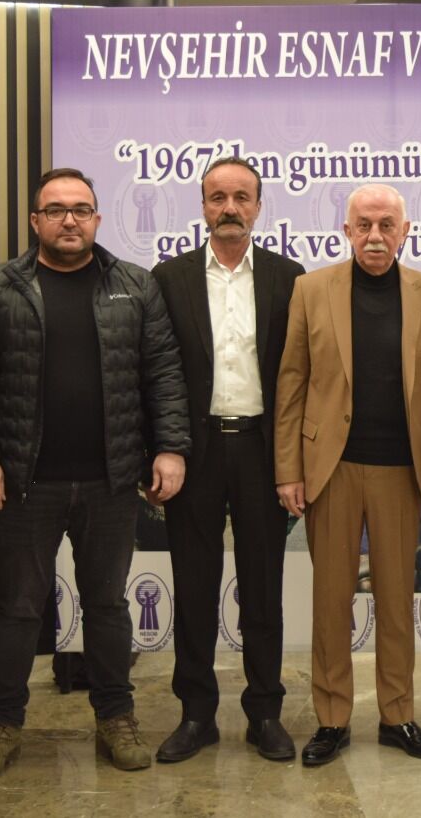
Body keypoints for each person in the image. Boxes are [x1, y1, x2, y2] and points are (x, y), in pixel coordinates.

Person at [0, 167, 190, 780]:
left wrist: (170, 448)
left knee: (108, 606)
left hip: (111, 481)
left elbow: (163, 372)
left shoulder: (134, 285)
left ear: (97, 219)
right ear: (35, 220)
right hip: (24, 481)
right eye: (56, 210)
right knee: (17, 608)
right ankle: (1, 723)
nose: (69, 220)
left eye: (81, 210)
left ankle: (116, 717)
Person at [274, 183, 421, 766]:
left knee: (398, 601)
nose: (375, 236)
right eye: (364, 225)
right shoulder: (311, 289)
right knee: (331, 601)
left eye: (386, 225)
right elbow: (292, 382)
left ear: (404, 231)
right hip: (331, 469)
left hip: (401, 471)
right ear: (346, 231)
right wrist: (288, 469)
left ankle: (397, 715)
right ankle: (331, 719)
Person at [151, 156, 305, 763]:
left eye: (242, 197)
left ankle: (265, 712)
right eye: (218, 198)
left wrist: (294, 460)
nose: (230, 208)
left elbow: (300, 376)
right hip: (195, 451)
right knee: (193, 585)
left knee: (263, 589)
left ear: (259, 207)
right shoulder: (170, 279)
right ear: (203, 207)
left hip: (264, 450)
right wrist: (162, 449)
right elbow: (156, 371)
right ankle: (196, 714)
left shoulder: (289, 278)